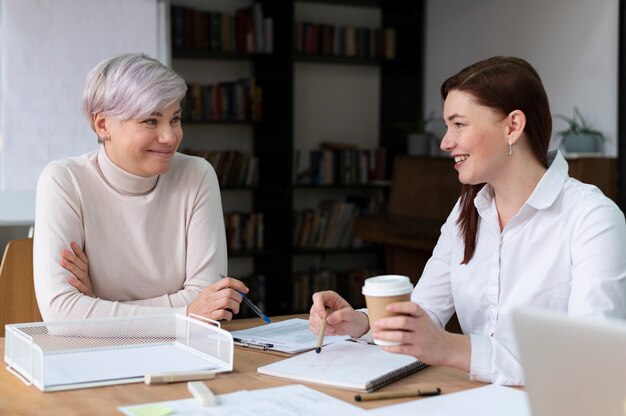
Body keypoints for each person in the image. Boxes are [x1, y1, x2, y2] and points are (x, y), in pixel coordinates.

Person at [309, 56, 626, 385]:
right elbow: (426, 309)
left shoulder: (593, 218)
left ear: (513, 126)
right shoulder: (468, 208)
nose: (446, 142)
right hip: (473, 398)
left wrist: (452, 348)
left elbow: (592, 357)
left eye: (459, 124)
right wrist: (362, 322)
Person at [34, 53, 248, 322]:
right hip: (94, 355)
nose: (170, 137)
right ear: (103, 125)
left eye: (175, 119)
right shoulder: (64, 181)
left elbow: (207, 301)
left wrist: (97, 306)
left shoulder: (197, 175)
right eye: (150, 120)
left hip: (183, 353)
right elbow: (61, 314)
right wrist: (184, 314)